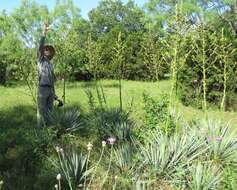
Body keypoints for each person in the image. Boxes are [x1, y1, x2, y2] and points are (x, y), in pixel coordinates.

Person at [37, 21, 62, 127]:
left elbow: (52, 81)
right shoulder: (40, 61)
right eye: (45, 50)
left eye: (49, 50)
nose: (47, 51)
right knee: (41, 112)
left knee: (50, 112)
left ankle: (49, 131)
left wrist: (56, 97)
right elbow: (40, 45)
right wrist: (44, 32)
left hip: (50, 90)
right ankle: (40, 132)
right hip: (42, 89)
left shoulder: (50, 65)